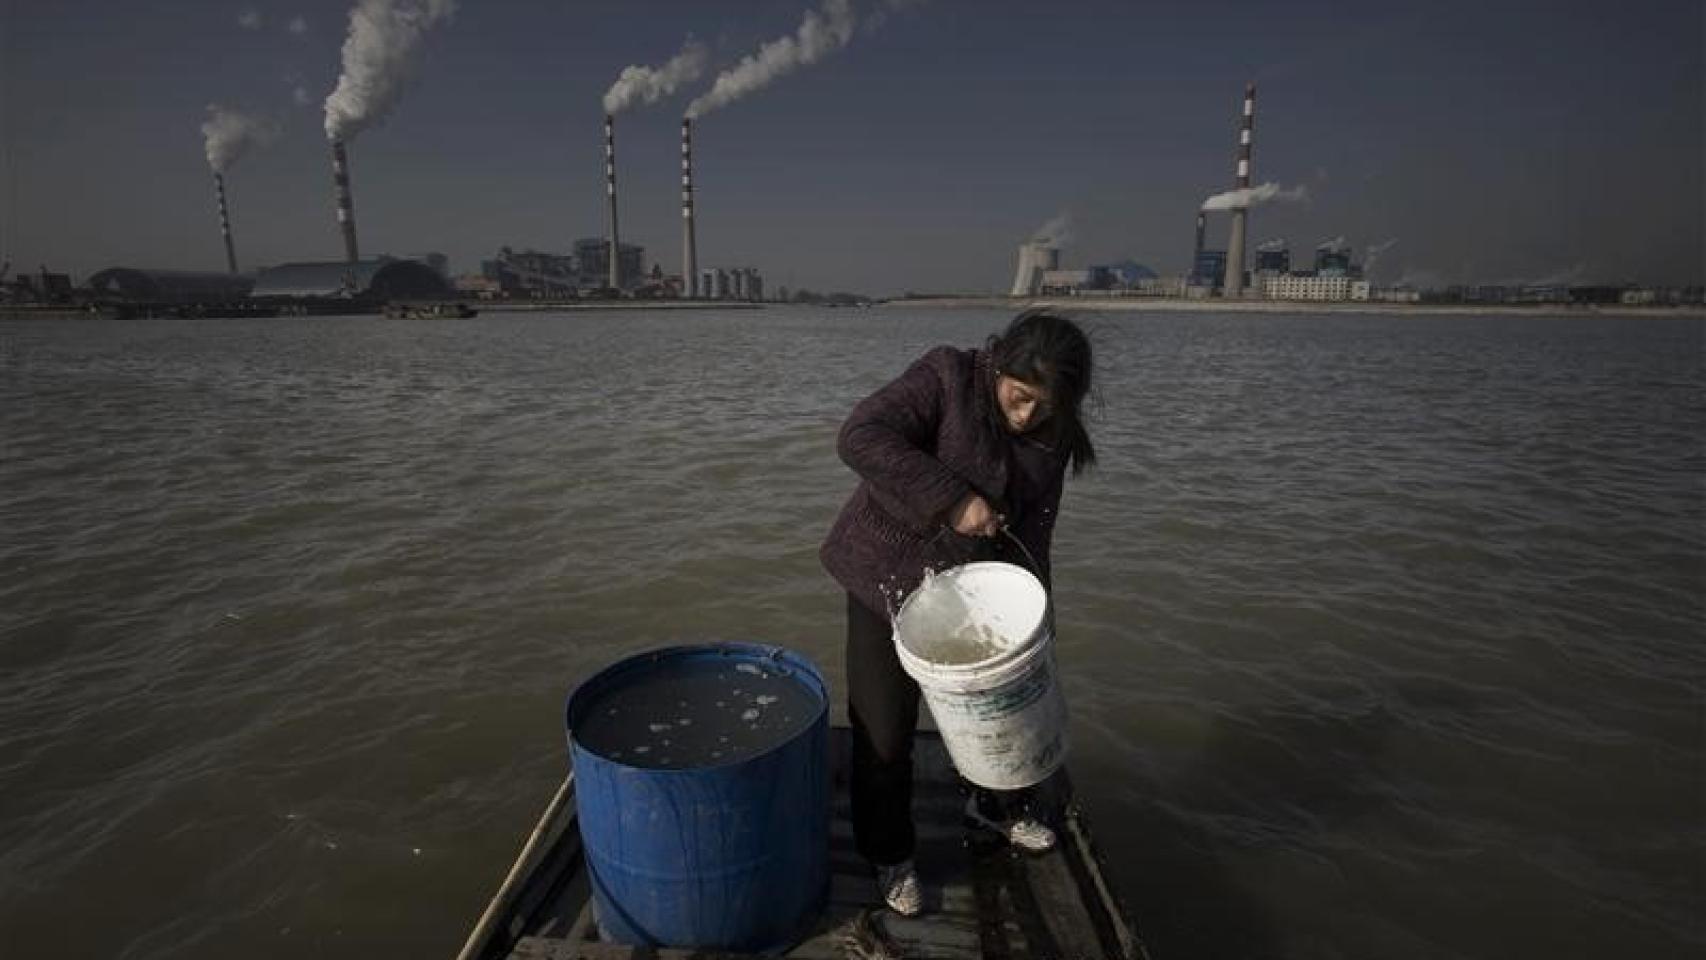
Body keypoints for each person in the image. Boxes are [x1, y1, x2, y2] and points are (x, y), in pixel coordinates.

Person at [819, 309, 1097, 917]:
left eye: (1044, 407)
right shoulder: (947, 375)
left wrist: (1038, 619)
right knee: (884, 731)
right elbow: (860, 435)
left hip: (976, 590)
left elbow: (1035, 533)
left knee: (1003, 710)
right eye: (1020, 397)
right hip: (885, 580)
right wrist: (953, 500)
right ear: (1000, 364)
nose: (1027, 416)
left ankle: (994, 806)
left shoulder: (1054, 437)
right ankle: (889, 854)